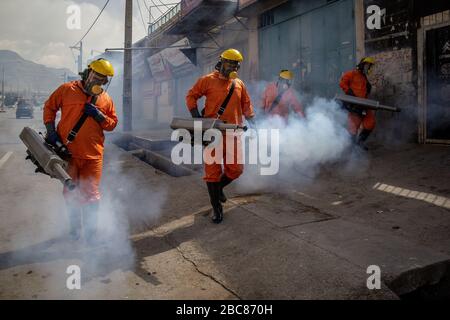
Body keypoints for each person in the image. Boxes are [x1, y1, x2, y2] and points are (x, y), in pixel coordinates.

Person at [43, 58, 118, 243]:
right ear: (88, 72)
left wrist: (100, 116)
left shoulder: (106, 99)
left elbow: (112, 124)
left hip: (93, 156)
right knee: (71, 191)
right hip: (69, 154)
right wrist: (51, 131)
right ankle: (75, 231)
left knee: (91, 194)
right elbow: (49, 107)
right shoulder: (67, 89)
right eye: (97, 76)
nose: (99, 82)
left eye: (103, 80)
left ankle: (91, 235)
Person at [186, 48, 255, 224]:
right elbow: (191, 96)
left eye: (236, 64)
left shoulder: (239, 84)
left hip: (233, 134)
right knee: (212, 173)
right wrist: (197, 117)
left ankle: (219, 189)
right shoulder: (207, 80)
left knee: (236, 169)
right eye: (230, 63)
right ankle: (216, 207)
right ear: (221, 62)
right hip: (212, 134)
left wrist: (253, 122)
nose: (233, 66)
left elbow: (246, 104)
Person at [339, 57, 376, 150]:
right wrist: (349, 91)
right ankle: (352, 148)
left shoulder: (364, 78)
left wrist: (368, 88)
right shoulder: (352, 74)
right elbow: (342, 83)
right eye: (367, 65)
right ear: (362, 65)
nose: (368, 68)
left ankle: (360, 142)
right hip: (354, 105)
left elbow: (365, 91)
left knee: (370, 123)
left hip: (364, 104)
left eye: (369, 66)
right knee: (353, 128)